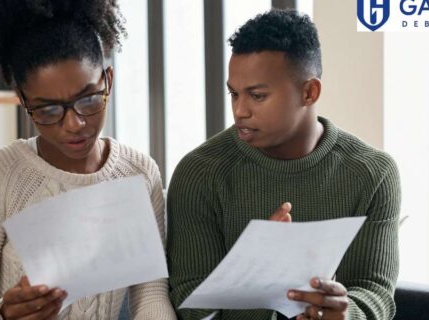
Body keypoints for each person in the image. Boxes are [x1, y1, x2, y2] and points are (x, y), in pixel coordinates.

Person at [0, 1, 176, 319]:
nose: (74, 124)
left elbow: (151, 297)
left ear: (107, 79)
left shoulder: (139, 172)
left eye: (88, 99)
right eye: (48, 109)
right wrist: (4, 313)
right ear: (24, 100)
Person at [167, 9, 400, 320]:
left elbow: (375, 290)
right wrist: (251, 269)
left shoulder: (373, 173)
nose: (239, 110)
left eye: (257, 96)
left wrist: (346, 313)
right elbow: (188, 305)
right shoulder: (200, 172)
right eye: (234, 94)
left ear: (309, 92)